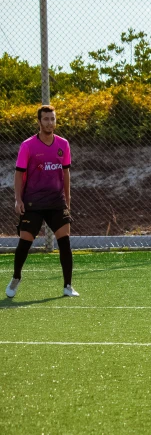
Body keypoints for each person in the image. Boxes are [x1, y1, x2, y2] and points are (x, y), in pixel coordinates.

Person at [6, 105, 79, 298]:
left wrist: (67, 201)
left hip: (56, 202)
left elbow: (66, 174)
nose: (49, 122)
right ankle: (16, 278)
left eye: (52, 119)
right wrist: (18, 199)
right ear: (39, 122)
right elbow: (18, 174)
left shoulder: (63, 144)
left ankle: (67, 285)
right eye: (45, 119)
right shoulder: (27, 146)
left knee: (65, 242)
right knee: (25, 242)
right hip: (33, 203)